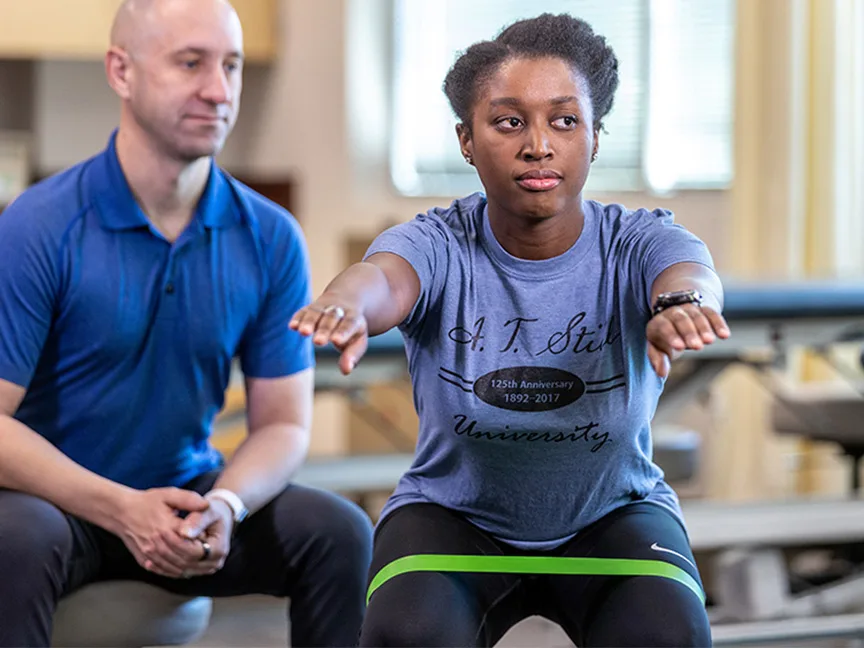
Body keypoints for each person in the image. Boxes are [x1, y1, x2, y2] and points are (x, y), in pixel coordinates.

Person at [291, 12, 730, 648]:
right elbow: (384, 280)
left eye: (564, 120)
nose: (539, 145)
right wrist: (345, 304)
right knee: (407, 638)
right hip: (452, 516)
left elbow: (687, 272)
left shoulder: (638, 241)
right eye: (508, 121)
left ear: (595, 136)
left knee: (670, 638)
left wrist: (680, 304)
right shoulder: (438, 241)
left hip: (612, 514)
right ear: (467, 139)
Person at [0, 0, 373, 646]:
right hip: (63, 505)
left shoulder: (270, 237)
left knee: (341, 533)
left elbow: (283, 424)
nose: (218, 89)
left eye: (230, 65)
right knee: (15, 539)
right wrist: (120, 509)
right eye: (190, 63)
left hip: (188, 496)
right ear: (122, 71)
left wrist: (226, 506)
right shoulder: (38, 226)